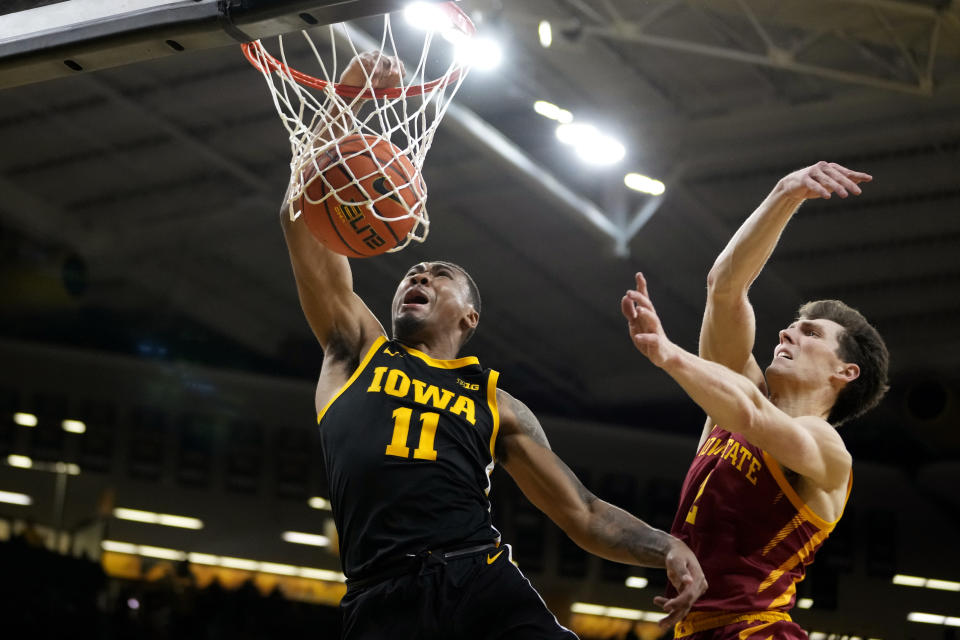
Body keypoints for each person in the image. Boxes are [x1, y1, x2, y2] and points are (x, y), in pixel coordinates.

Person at [280, 52, 707, 639]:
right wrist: (346, 106)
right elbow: (300, 216)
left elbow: (580, 512)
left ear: (469, 315)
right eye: (413, 272)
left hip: (478, 581)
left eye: (438, 273)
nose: (418, 276)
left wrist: (667, 548)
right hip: (382, 599)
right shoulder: (358, 350)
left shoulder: (496, 403)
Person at [620, 161, 890, 639]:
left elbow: (751, 413)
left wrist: (669, 355)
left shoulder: (827, 449)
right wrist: (785, 192)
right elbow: (724, 289)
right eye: (792, 325)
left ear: (845, 372)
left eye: (810, 333)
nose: (786, 331)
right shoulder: (730, 402)